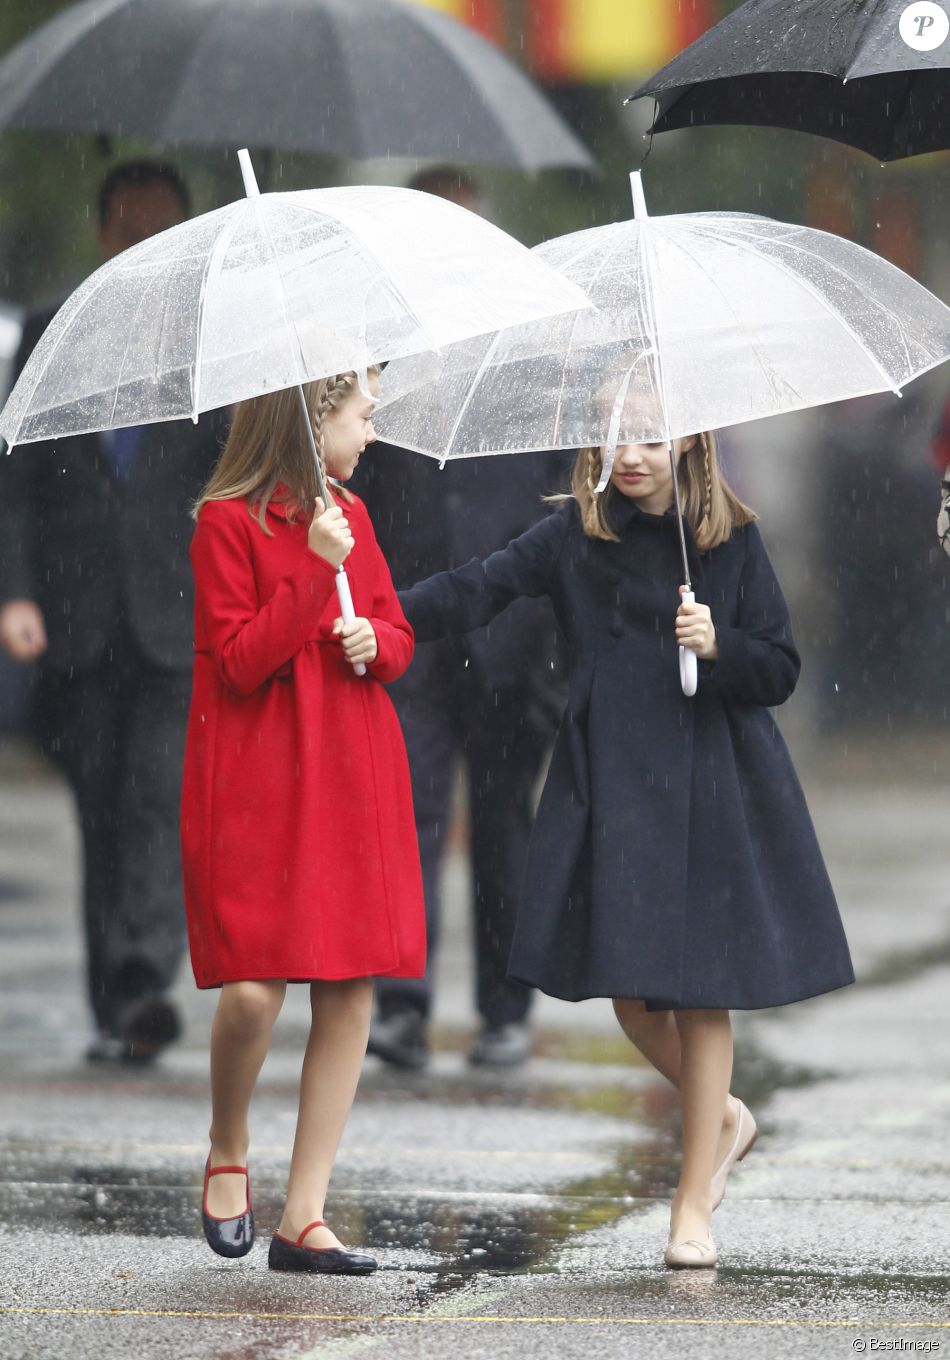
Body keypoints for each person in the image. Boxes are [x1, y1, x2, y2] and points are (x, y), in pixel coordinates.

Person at [398, 433, 854, 1269]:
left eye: (648, 436)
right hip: (611, 783)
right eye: (614, 437)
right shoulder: (580, 531)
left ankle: (691, 1205)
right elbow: (481, 586)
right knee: (634, 1002)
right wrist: (380, 612)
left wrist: (719, 645)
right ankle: (723, 1117)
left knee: (699, 989)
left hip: (711, 783)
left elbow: (779, 663)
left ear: (687, 440)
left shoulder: (729, 538)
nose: (630, 454)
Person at [183, 372, 425, 1274]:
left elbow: (395, 633)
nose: (371, 431)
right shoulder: (226, 522)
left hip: (350, 760)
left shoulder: (351, 511)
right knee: (253, 988)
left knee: (352, 984)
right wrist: (317, 571)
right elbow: (240, 662)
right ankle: (228, 1144)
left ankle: (305, 1215)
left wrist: (379, 643)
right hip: (262, 774)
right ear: (311, 417)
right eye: (362, 416)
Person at [0, 160, 224, 1064]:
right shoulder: (53, 329)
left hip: (177, 611)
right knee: (98, 810)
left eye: (161, 233)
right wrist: (15, 591)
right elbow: (14, 477)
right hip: (75, 610)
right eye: (130, 231)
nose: (143, 248)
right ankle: (112, 1002)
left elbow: (229, 471)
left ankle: (143, 979)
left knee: (160, 803)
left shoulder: (211, 341)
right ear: (103, 235)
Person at [353, 165, 566, 1070]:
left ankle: (504, 1009)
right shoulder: (377, 345)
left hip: (512, 624)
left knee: (505, 824)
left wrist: (554, 622)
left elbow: (560, 485)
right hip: (406, 615)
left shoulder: (528, 345)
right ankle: (401, 1005)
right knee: (405, 819)